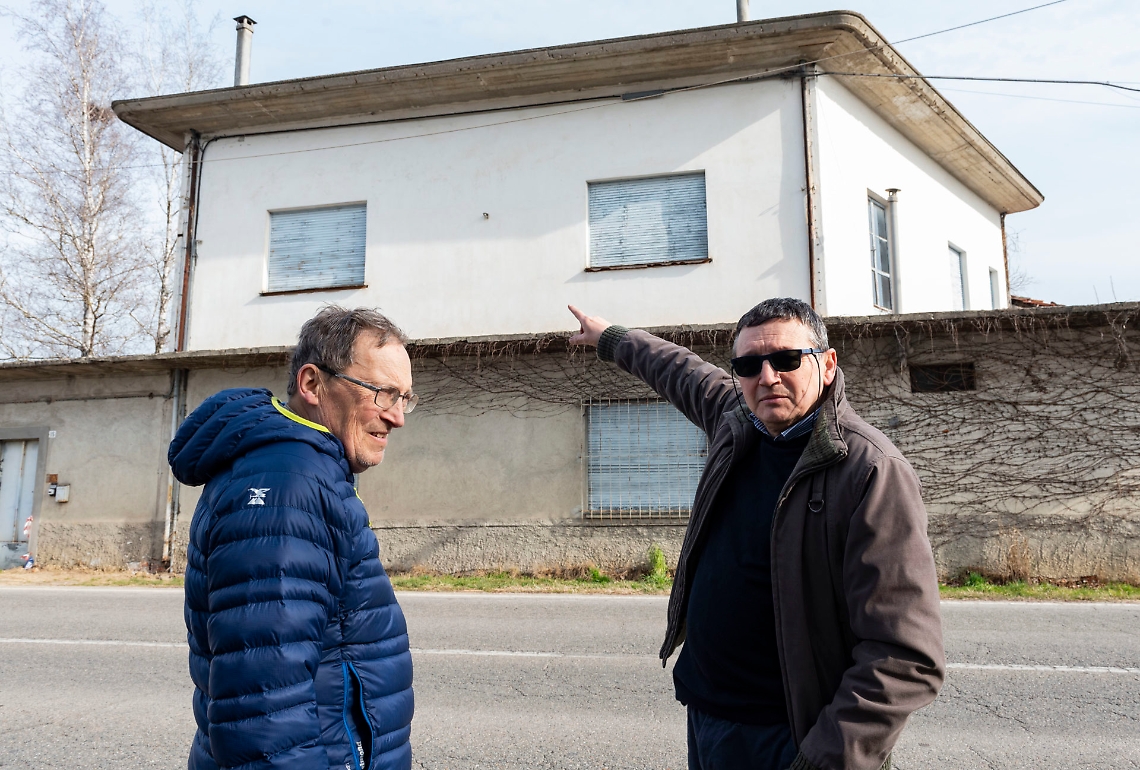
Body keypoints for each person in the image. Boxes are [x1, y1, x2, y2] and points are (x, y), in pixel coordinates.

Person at [568, 298, 944, 770]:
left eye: (786, 359)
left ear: (828, 365)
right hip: (709, 715)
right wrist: (611, 338)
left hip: (792, 737)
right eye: (748, 365)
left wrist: (824, 758)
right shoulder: (737, 421)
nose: (767, 377)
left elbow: (905, 654)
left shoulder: (869, 469)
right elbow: (678, 369)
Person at [168, 306, 417, 770]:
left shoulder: (301, 470)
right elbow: (264, 703)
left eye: (405, 397)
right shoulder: (288, 484)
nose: (398, 417)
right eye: (383, 393)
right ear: (312, 384)